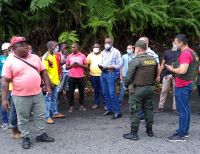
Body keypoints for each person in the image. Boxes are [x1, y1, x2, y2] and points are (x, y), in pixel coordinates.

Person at [1, 36, 55, 149]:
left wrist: (48, 86)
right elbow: (5, 81)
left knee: (40, 115)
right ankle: (25, 137)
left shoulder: (35, 57)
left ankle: (41, 134)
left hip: (38, 93)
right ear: (13, 48)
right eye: (21, 45)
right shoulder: (9, 61)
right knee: (23, 117)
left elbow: (43, 72)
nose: (25, 46)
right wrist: (4, 99)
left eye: (26, 44)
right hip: (20, 96)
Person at [123, 40, 159, 141]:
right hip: (150, 88)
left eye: (134, 48)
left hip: (138, 89)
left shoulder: (135, 61)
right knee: (148, 109)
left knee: (135, 110)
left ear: (138, 49)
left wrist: (125, 85)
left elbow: (129, 77)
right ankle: (150, 131)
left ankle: (134, 133)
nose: (134, 50)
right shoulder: (153, 60)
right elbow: (156, 74)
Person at [165, 34, 199, 141]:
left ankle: (181, 134)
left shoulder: (185, 54)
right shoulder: (191, 51)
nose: (174, 44)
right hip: (187, 83)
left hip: (182, 85)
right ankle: (184, 130)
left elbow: (182, 70)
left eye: (176, 42)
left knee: (182, 110)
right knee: (186, 108)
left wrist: (171, 68)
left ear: (181, 43)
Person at [42, 41, 65, 124]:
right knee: (47, 99)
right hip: (49, 83)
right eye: (56, 46)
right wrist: (47, 83)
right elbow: (44, 71)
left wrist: (59, 74)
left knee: (54, 98)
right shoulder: (46, 57)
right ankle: (46, 117)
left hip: (55, 81)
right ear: (51, 47)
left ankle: (55, 113)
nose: (57, 48)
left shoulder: (54, 56)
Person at [99, 37, 122, 119]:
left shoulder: (116, 52)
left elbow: (119, 64)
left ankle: (118, 112)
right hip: (103, 74)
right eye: (105, 42)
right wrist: (100, 66)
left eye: (108, 42)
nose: (106, 44)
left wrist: (109, 67)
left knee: (112, 93)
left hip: (111, 74)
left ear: (112, 43)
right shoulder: (103, 52)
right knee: (105, 93)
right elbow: (101, 62)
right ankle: (109, 109)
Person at [155, 42, 179, 112]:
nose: (175, 44)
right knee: (163, 91)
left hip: (177, 74)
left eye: (176, 43)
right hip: (166, 74)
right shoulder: (167, 52)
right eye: (174, 43)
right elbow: (162, 64)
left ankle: (175, 108)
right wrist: (158, 75)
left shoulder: (181, 52)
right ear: (172, 43)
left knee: (176, 91)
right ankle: (160, 107)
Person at [66, 42, 88, 112]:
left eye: (73, 47)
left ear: (77, 47)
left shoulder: (82, 56)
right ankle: (71, 106)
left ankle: (81, 105)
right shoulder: (69, 56)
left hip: (80, 76)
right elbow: (66, 67)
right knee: (71, 92)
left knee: (81, 92)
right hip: (71, 76)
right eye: (71, 47)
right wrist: (72, 65)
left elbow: (86, 66)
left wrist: (79, 65)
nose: (72, 49)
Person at [87, 43, 105, 109]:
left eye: (97, 47)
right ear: (92, 48)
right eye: (94, 47)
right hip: (93, 75)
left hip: (102, 75)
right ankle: (96, 103)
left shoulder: (103, 54)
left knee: (103, 90)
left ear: (100, 48)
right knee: (95, 90)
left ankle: (105, 104)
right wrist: (88, 73)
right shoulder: (90, 55)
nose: (96, 48)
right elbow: (86, 64)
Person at [0, 43, 10, 129]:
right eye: (7, 49)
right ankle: (4, 122)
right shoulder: (0, 58)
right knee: (4, 100)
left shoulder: (13, 58)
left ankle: (14, 121)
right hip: (3, 82)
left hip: (13, 82)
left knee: (13, 101)